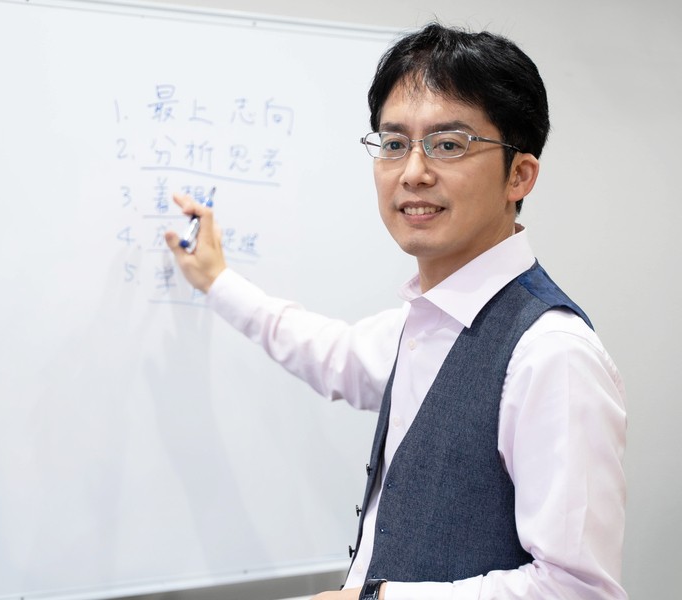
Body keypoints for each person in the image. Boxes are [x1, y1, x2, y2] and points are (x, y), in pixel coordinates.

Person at [165, 22, 627, 600]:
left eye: (448, 144)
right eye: (393, 144)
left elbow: (576, 590)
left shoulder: (551, 354)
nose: (413, 172)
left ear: (519, 175)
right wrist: (217, 281)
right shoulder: (424, 325)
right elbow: (327, 353)